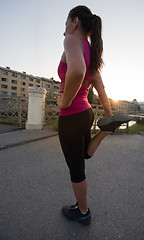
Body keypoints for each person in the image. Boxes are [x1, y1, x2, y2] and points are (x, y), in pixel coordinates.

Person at [57, 5, 131, 225]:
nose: (64, 30)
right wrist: (109, 117)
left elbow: (77, 71)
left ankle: (83, 212)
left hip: (71, 116)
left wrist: (65, 101)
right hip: (86, 113)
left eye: (65, 24)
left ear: (75, 21)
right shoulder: (92, 51)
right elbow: (101, 90)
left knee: (76, 169)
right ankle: (105, 130)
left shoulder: (71, 41)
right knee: (83, 156)